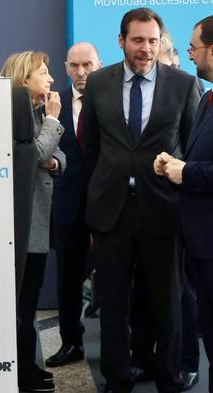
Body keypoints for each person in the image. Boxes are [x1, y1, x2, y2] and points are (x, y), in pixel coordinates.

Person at [82, 7, 200, 393]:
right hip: (111, 210)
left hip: (163, 209)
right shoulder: (98, 83)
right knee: (113, 303)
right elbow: (91, 148)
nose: (146, 49)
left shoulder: (183, 84)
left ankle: (168, 375)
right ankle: (118, 377)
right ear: (121, 41)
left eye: (152, 41)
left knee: (167, 303)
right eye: (137, 40)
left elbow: (192, 149)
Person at [154, 14, 213, 392]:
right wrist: (177, 165)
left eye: (194, 46)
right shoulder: (207, 97)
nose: (188, 55)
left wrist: (185, 172)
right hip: (199, 243)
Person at [1, 50, 65, 393]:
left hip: (38, 220)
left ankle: (25, 365)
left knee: (29, 297)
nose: (51, 80)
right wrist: (53, 120)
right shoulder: (14, 114)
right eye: (43, 73)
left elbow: (53, 155)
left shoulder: (33, 111)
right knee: (23, 302)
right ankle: (21, 370)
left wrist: (57, 163)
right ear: (24, 78)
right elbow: (35, 154)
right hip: (23, 226)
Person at [46, 42, 102, 368]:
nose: (81, 73)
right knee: (68, 279)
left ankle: (120, 350)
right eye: (74, 66)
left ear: (99, 64)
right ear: (66, 67)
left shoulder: (111, 102)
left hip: (107, 206)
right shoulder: (52, 105)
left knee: (114, 280)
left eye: (87, 65)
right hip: (66, 206)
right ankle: (71, 343)